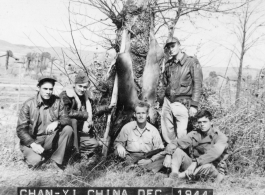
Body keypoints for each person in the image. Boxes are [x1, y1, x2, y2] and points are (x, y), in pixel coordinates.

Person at [16, 76, 73, 170]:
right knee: (36, 162)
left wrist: (57, 122)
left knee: (68, 129)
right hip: (32, 141)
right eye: (45, 89)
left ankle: (56, 162)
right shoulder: (29, 104)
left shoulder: (58, 101)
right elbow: (21, 129)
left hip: (49, 139)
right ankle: (41, 157)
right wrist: (32, 144)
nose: (48, 92)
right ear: (38, 88)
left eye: (51, 89)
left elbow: (67, 119)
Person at [163, 110, 228, 184]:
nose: (202, 124)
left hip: (210, 168)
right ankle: (174, 174)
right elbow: (176, 143)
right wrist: (168, 154)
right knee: (177, 150)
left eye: (205, 122)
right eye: (200, 122)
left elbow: (214, 153)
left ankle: (178, 177)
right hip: (193, 166)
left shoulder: (220, 137)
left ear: (211, 122)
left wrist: (196, 162)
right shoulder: (194, 134)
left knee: (208, 167)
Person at [161, 37, 203, 143]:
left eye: (173, 46)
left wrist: (194, 105)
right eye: (169, 47)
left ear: (179, 45)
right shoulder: (168, 64)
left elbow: (197, 84)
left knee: (181, 132)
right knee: (167, 132)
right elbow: (164, 84)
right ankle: (171, 152)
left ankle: (182, 155)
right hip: (168, 101)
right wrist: (161, 100)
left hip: (182, 102)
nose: (171, 49)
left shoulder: (191, 62)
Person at [114, 101, 165, 172]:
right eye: (138, 113)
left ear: (147, 114)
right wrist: (119, 146)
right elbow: (118, 142)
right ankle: (139, 169)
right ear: (134, 114)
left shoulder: (153, 130)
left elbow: (160, 150)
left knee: (164, 158)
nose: (141, 116)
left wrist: (150, 160)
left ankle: (142, 169)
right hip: (130, 157)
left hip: (147, 157)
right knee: (117, 152)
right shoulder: (127, 127)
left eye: (143, 113)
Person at [59, 72, 99, 162]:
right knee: (73, 121)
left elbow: (93, 111)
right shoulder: (65, 95)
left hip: (79, 130)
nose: (82, 89)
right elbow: (66, 112)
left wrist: (106, 108)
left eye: (85, 87)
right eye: (80, 86)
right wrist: (85, 115)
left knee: (93, 144)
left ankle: (80, 153)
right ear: (74, 85)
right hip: (65, 130)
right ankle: (73, 153)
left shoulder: (86, 97)